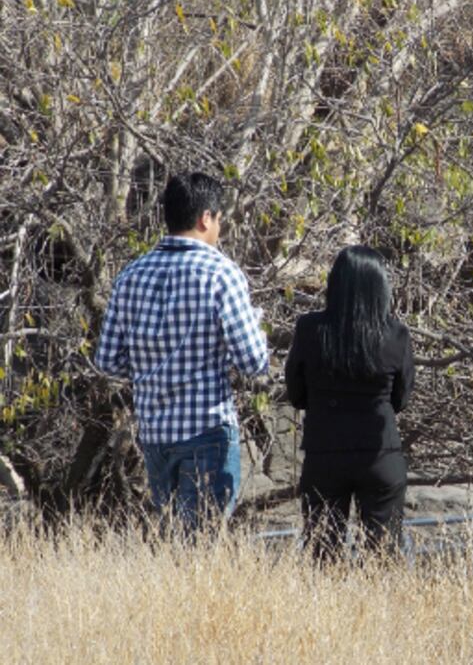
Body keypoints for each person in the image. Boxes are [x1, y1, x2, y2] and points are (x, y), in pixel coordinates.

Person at [95, 172, 268, 531]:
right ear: (206, 217)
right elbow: (254, 362)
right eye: (219, 219)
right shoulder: (222, 274)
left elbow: (106, 361)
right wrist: (254, 323)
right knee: (202, 547)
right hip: (206, 431)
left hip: (155, 433)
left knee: (176, 543)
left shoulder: (130, 275)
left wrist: (151, 364)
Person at [285, 245, 415, 560]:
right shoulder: (396, 334)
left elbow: (296, 394)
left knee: (323, 554)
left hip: (324, 454)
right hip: (380, 455)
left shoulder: (310, 329)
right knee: (383, 559)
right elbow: (401, 399)